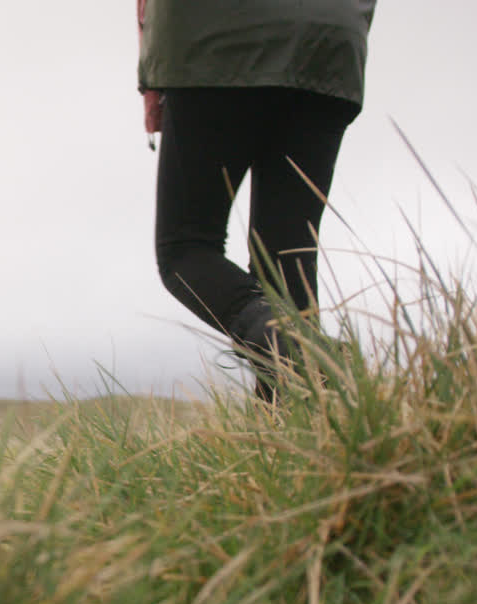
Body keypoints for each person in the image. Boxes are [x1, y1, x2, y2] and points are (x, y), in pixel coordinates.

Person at [137, 0, 377, 401]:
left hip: (215, 37)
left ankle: (303, 348)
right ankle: (294, 440)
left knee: (186, 249)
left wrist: (152, 70)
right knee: (286, 259)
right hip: (328, 40)